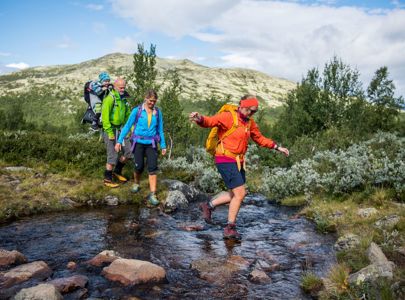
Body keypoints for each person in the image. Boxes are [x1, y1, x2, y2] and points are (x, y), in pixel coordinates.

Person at [189, 95, 289, 240]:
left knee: (235, 194)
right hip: (224, 159)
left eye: (255, 112)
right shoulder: (228, 116)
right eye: (251, 111)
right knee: (240, 194)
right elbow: (210, 121)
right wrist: (199, 118)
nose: (253, 114)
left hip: (238, 162)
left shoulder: (249, 123)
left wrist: (277, 147)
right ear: (243, 106)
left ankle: (208, 205)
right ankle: (230, 228)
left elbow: (259, 138)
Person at [115, 90, 167, 206]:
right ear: (145, 98)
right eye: (150, 101)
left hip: (151, 144)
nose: (152, 103)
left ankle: (152, 194)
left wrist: (163, 145)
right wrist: (119, 141)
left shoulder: (158, 112)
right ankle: (136, 183)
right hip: (138, 142)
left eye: (154, 101)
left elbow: (160, 130)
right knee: (139, 166)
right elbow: (128, 126)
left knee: (153, 168)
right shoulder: (137, 111)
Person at [101, 77, 132, 188]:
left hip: (122, 129)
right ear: (114, 87)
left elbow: (128, 116)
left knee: (128, 152)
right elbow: (105, 118)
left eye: (124, 87)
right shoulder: (109, 99)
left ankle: (117, 172)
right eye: (120, 87)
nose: (123, 89)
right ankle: (107, 179)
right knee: (112, 155)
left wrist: (130, 128)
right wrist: (110, 132)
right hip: (111, 129)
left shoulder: (124, 100)